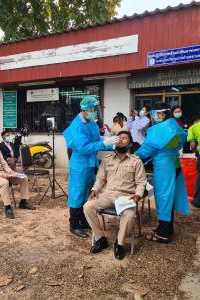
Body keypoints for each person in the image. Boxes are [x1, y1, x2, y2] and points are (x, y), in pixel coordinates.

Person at [84, 131, 146, 259]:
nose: (120, 140)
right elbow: (100, 179)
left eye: (124, 138)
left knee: (129, 215)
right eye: (118, 138)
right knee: (87, 207)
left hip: (126, 196)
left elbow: (141, 183)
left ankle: (119, 244)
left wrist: (138, 195)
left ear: (130, 144)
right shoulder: (106, 160)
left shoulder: (136, 162)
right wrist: (95, 189)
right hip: (107, 194)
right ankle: (100, 239)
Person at [63, 96, 119, 238]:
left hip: (91, 163)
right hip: (80, 165)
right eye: (93, 109)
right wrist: (104, 144)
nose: (95, 112)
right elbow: (83, 147)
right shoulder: (77, 126)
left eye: (96, 109)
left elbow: (96, 139)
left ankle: (84, 220)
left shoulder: (91, 122)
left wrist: (108, 141)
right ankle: (74, 224)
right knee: (77, 194)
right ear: (85, 109)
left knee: (88, 192)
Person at [135, 103, 189, 243]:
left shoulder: (158, 129)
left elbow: (147, 149)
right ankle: (166, 228)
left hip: (164, 167)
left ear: (163, 114)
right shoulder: (175, 125)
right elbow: (181, 142)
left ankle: (163, 234)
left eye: (157, 114)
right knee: (169, 197)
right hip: (174, 163)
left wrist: (134, 156)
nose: (155, 116)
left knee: (163, 197)